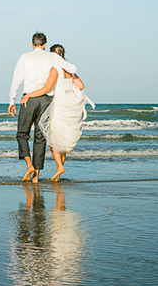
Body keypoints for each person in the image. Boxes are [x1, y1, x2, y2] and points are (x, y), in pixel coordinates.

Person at [9, 32, 78, 183]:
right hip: (47, 100)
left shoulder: (25, 57)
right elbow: (73, 68)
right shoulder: (53, 57)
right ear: (45, 45)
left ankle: (29, 166)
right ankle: (36, 176)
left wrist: (12, 100)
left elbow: (17, 79)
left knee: (22, 134)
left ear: (32, 44)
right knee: (40, 138)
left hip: (29, 99)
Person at [29, 44, 94, 181]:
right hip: (70, 105)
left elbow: (47, 87)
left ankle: (59, 167)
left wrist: (30, 94)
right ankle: (59, 172)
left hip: (59, 104)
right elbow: (81, 86)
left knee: (54, 138)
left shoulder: (55, 69)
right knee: (63, 138)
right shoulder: (69, 70)